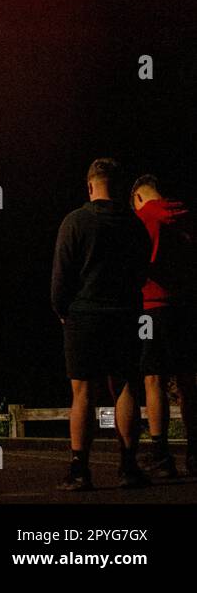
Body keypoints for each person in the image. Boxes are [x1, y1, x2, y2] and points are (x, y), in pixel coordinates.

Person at [51, 157, 153, 490]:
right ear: (118, 186)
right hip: (125, 313)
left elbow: (61, 277)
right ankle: (128, 465)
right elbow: (141, 272)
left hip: (84, 315)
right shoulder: (134, 225)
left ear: (90, 184)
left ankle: (80, 469)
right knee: (126, 387)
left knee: (83, 392)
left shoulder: (74, 222)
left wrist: (63, 309)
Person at [131, 174, 197, 477]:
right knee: (187, 383)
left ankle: (161, 455)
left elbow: (136, 265)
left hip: (152, 308)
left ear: (138, 198)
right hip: (187, 308)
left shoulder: (142, 219)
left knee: (153, 378)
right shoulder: (185, 215)